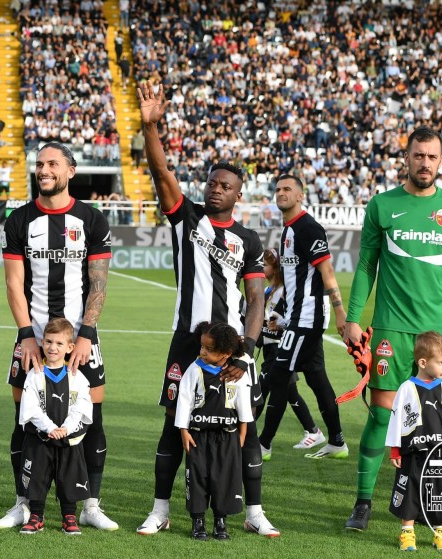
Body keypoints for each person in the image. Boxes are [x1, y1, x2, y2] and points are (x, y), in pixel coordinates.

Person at [136, 82, 278, 538]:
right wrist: (149, 126)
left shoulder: (249, 240)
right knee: (175, 422)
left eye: (226, 186)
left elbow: (256, 299)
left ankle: (253, 511)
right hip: (187, 339)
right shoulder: (187, 217)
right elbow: (161, 174)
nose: (216, 190)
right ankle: (160, 509)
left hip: (235, 345)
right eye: (213, 183)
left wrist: (247, 351)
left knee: (246, 427)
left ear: (239, 195)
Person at [344, 126, 442, 531]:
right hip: (391, 329)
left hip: (435, 336)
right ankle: (363, 503)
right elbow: (366, 264)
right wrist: (353, 316)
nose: (425, 163)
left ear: (441, 160)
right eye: (418, 155)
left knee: (435, 425)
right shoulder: (383, 206)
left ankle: (429, 502)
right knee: (383, 417)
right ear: (406, 157)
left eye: (432, 157)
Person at [0, 142, 116, 531]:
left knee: (91, 420)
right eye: (40, 164)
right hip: (33, 338)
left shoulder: (92, 220)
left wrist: (86, 335)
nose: (44, 169)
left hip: (81, 338)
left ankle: (90, 505)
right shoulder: (19, 220)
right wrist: (26, 335)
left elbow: (98, 285)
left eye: (52, 164)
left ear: (70, 171)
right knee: (23, 420)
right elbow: (14, 285)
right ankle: (23, 502)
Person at [258, 174, 348, 461]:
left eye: (287, 189)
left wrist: (339, 311)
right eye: (278, 189)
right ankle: (336, 441)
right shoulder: (287, 231)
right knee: (317, 380)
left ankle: (263, 445)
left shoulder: (308, 227)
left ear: (300, 196)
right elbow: (295, 283)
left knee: (278, 375)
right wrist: (280, 315)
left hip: (308, 318)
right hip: (297, 317)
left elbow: (327, 271)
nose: (281, 193)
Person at [386, 332, 442, 551]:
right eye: (441, 362)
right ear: (423, 362)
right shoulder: (406, 388)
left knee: (441, 490)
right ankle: (407, 532)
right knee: (410, 489)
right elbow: (397, 420)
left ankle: (440, 532)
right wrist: (396, 449)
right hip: (414, 451)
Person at [176, 321, 253, 541]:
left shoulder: (236, 373)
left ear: (226, 353)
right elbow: (185, 399)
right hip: (198, 436)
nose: (202, 351)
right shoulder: (194, 369)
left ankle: (221, 521)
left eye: (209, 349)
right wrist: (184, 430)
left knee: (224, 479)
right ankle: (198, 521)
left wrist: (242, 431)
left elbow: (243, 403)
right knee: (198, 478)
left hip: (227, 436)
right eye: (202, 347)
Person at [17, 318, 93, 535]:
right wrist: (50, 428)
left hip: (68, 439)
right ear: (42, 343)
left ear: (70, 348)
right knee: (38, 477)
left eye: (59, 344)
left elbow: (81, 408)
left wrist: (65, 429)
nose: (53, 347)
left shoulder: (78, 377)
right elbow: (31, 408)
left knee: (69, 476)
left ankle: (69, 517)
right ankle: (36, 516)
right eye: (49, 342)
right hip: (41, 437)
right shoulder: (34, 375)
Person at [257, 247, 324, 456]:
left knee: (261, 390)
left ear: (275, 268)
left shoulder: (283, 291)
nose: (262, 267)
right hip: (270, 348)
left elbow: (285, 323)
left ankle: (253, 440)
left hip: (280, 348)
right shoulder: (269, 290)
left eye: (265, 264)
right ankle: (313, 431)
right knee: (288, 392)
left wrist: (266, 327)